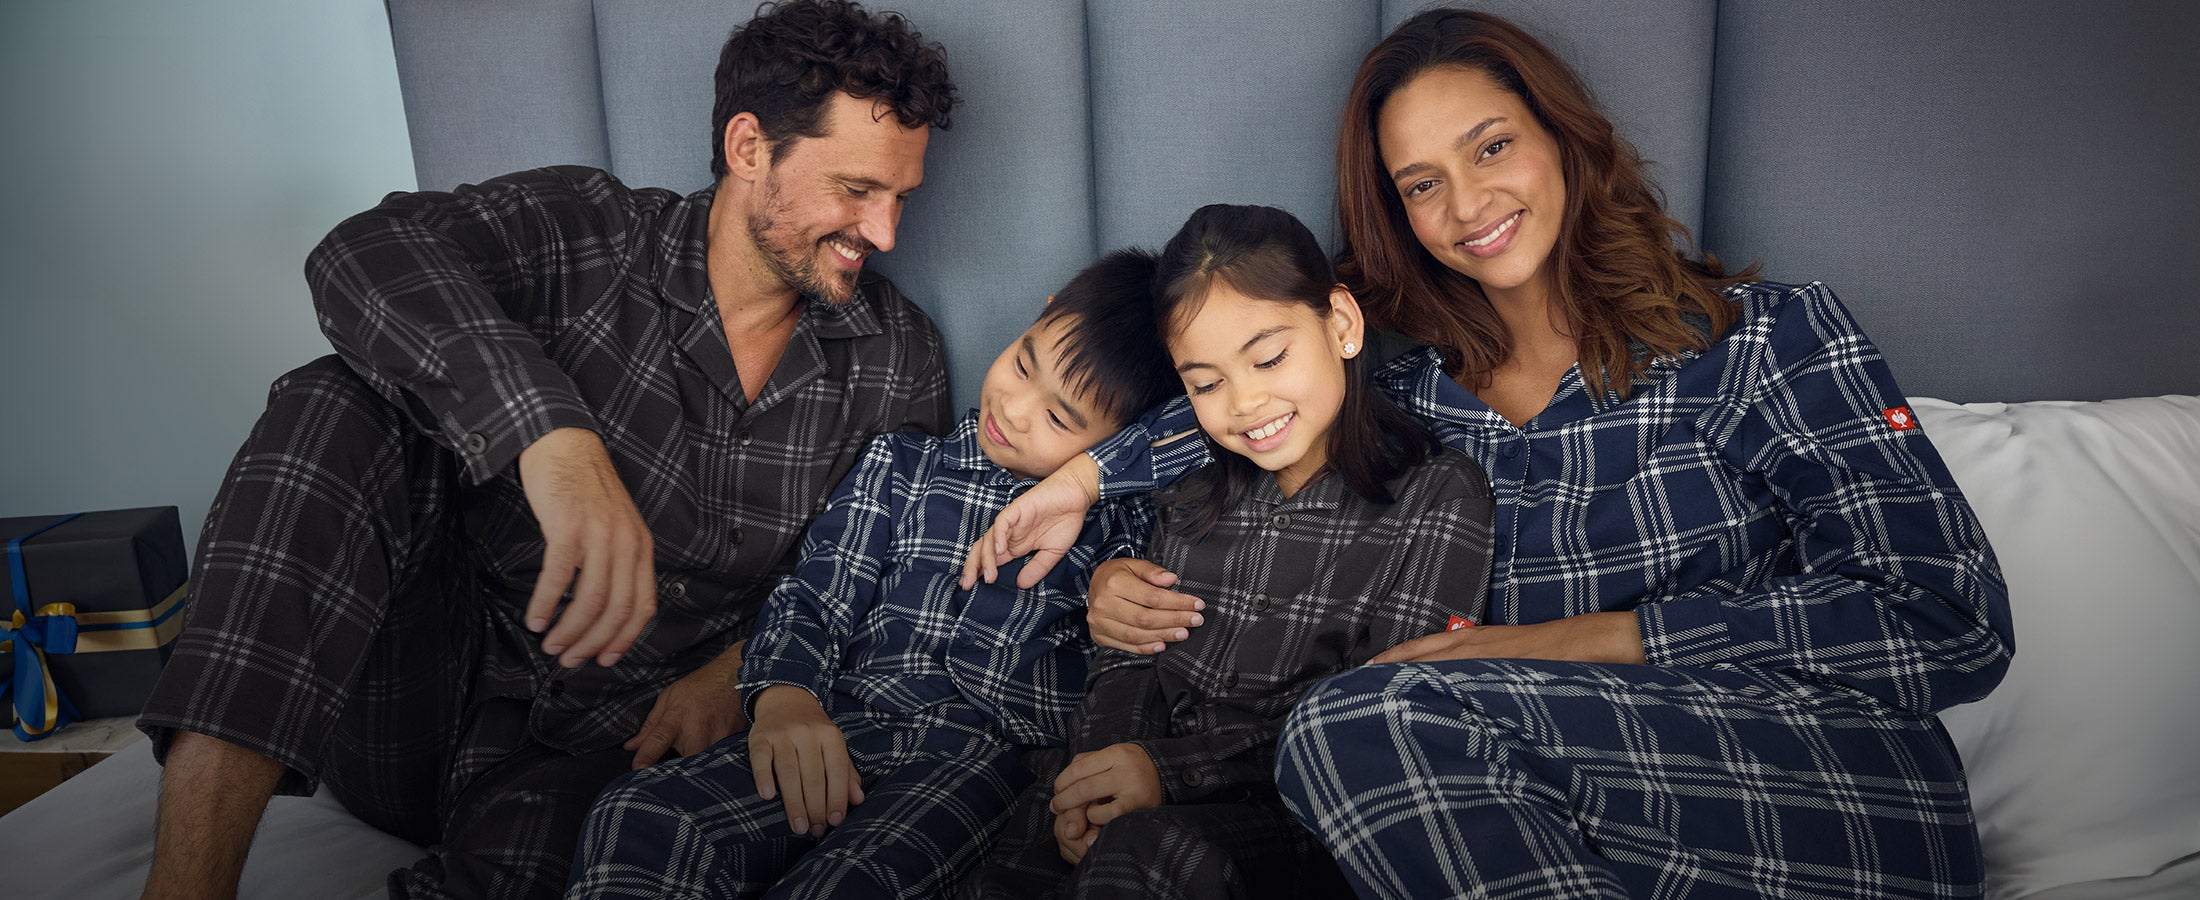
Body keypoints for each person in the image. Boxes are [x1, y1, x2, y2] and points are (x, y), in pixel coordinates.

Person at [971, 9, 2012, 899]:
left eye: (1491, 148)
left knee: (1351, 723)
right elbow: (1245, 374)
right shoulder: (1402, 374)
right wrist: (1088, 476)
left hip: (1821, 786)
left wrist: (1592, 639)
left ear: (1560, 138)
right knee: (1314, 778)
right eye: (1420, 184)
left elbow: (1950, 621)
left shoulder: (1764, 338)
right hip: (1528, 811)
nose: (1466, 206)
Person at [134, 3, 959, 899]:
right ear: (749, 146)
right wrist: (550, 438)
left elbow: (877, 572)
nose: (883, 236)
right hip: (413, 684)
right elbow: (363, 253)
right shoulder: (588, 231)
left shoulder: (896, 358)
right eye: (855, 190)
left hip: (612, 745)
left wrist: (740, 673)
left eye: (900, 198)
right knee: (333, 402)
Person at [563, 250, 1180, 899]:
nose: (1017, 409)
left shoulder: (1119, 525)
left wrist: (1096, 488)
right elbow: (815, 593)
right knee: (638, 815)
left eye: (1060, 419)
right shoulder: (901, 466)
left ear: (1118, 442)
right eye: (1024, 364)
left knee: (846, 885)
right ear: (1042, 315)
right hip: (842, 724)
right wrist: (783, 696)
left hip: (974, 763)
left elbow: (1207, 424)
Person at [959, 205, 1494, 900]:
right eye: (1206, 383)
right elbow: (1127, 663)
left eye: (1269, 357)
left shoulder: (1438, 497)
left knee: (1154, 854)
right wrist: (1097, 782)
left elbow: (1374, 723)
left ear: (1342, 324)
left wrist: (1164, 772)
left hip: (1297, 825)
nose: (1244, 402)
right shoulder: (1189, 489)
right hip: (1133, 804)